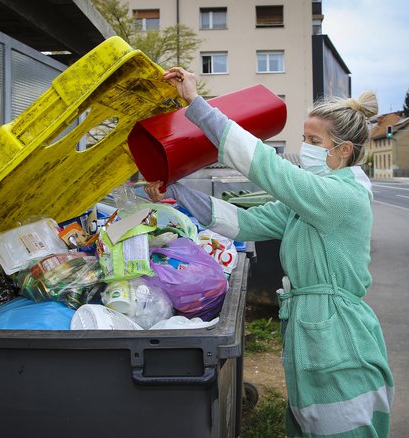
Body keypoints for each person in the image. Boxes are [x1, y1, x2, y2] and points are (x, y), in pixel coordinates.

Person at [145, 67, 394, 437]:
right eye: (303, 137)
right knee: (310, 421)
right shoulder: (310, 201)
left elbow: (265, 164)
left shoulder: (339, 197)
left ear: (343, 151)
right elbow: (243, 223)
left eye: (314, 140)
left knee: (342, 425)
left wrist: (196, 104)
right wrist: (176, 191)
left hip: (338, 331)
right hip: (316, 326)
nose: (305, 147)